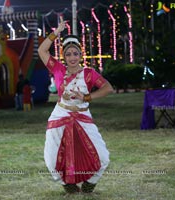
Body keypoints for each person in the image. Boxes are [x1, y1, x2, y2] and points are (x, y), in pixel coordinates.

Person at [38, 19, 114, 194]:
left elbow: (108, 88)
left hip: (82, 115)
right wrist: (56, 32)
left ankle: (89, 184)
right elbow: (42, 50)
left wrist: (87, 96)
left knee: (102, 156)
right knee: (52, 156)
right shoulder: (57, 69)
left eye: (76, 54)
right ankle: (67, 184)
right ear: (64, 56)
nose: (72, 57)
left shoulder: (88, 73)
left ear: (81, 55)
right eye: (69, 54)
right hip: (60, 115)